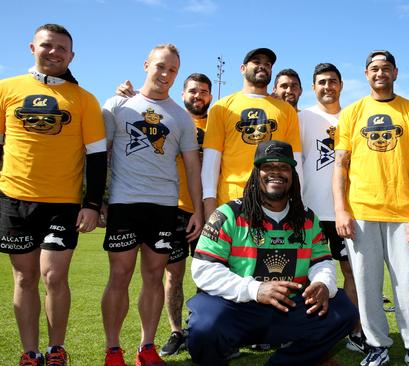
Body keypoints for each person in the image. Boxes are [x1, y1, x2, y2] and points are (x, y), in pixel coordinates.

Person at [187, 140, 358, 366]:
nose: (275, 172)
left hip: (289, 307)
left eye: (283, 167)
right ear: (256, 174)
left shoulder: (307, 218)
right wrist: (255, 289)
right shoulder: (228, 214)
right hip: (238, 308)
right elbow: (203, 269)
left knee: (344, 311)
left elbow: (322, 261)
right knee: (204, 325)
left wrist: (322, 283)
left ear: (293, 175)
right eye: (268, 167)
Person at [0, 23, 107, 366]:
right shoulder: (6, 89)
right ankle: (30, 352)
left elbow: (97, 156)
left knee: (54, 275)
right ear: (32, 47)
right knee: (24, 277)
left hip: (62, 203)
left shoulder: (84, 99)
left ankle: (56, 349)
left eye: (62, 48)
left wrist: (91, 204)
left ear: (71, 56)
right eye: (47, 45)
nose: (54, 52)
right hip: (14, 198)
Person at [333, 50, 409, 366]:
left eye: (385, 68)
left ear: (395, 73)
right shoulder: (352, 113)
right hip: (361, 211)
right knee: (367, 285)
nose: (380, 73)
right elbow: (340, 166)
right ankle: (377, 345)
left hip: (404, 213)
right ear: (366, 74)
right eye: (374, 68)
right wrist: (341, 210)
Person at [101, 44, 203, 366]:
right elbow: (100, 155)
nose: (165, 74)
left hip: (162, 207)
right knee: (119, 275)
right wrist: (97, 201)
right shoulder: (118, 104)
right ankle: (113, 349)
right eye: (160, 66)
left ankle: (146, 347)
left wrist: (198, 210)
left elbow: (191, 168)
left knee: (155, 276)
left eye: (172, 70)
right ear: (146, 65)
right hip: (123, 203)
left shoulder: (181, 117)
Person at [115, 73, 213, 357]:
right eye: (193, 90)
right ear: (183, 92)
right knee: (173, 275)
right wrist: (125, 96)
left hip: (209, 208)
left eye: (204, 91)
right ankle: (176, 331)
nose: (198, 96)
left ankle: (206, 329)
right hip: (174, 207)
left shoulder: (218, 120)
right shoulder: (170, 116)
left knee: (212, 273)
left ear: (210, 96)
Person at [299, 62, 368, 353]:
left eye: (333, 81)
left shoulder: (353, 117)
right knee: (302, 274)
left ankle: (356, 330)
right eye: (322, 82)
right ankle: (303, 331)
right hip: (308, 211)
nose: (327, 87)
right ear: (314, 87)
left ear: (341, 85)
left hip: (346, 211)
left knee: (352, 272)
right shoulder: (301, 118)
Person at [201, 48, 302, 220]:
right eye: (256, 62)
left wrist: (297, 200)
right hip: (231, 200)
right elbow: (211, 161)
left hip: (275, 200)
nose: (262, 66)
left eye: (267, 64)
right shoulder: (221, 107)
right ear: (242, 68)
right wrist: (209, 205)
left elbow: (295, 161)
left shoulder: (286, 111)